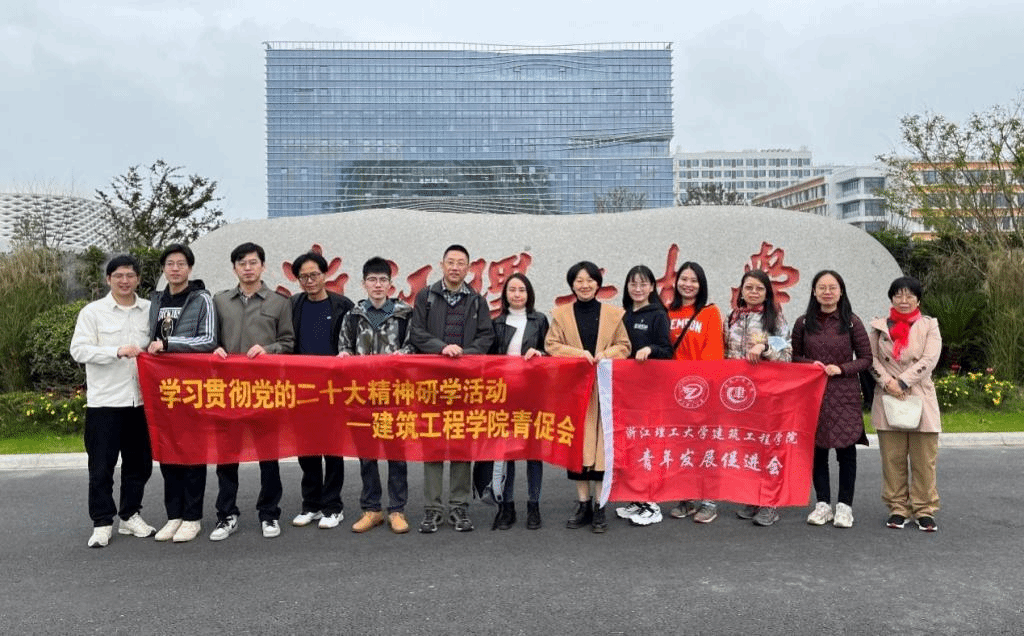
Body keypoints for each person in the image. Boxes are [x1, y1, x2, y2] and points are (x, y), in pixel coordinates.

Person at [210, 242, 295, 541]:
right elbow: (209, 339)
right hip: (227, 390)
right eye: (242, 263)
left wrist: (268, 349)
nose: (248, 268)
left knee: (268, 455)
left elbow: (288, 343)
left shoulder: (279, 303)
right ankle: (226, 514)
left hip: (263, 390)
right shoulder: (220, 301)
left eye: (253, 262)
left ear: (263, 266)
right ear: (234, 268)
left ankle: (269, 513)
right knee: (226, 456)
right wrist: (214, 348)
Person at [70, 254, 155, 548]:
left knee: (139, 464)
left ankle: (130, 515)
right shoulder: (93, 312)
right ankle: (102, 522)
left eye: (130, 275)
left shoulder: (150, 310)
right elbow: (79, 350)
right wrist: (115, 351)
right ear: (108, 279)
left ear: (138, 279)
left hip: (140, 402)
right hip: (105, 403)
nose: (124, 280)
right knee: (101, 468)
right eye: (118, 275)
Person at [410, 244, 495, 533]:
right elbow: (417, 332)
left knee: (461, 443)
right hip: (432, 382)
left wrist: (464, 355)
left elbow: (486, 336)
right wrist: (442, 348)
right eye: (451, 262)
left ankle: (459, 507)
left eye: (461, 263)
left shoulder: (477, 301)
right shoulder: (426, 296)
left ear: (468, 268)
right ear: (442, 265)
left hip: (465, 382)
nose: (455, 267)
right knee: (433, 444)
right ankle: (432, 509)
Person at [545, 261, 631, 533]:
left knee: (602, 449)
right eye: (579, 280)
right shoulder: (561, 315)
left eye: (590, 280)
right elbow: (551, 344)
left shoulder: (613, 315)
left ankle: (599, 505)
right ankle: (583, 504)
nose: (584, 285)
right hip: (574, 390)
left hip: (603, 390)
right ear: (572, 284)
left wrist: (605, 354)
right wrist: (577, 355)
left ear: (598, 283)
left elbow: (624, 346)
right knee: (578, 447)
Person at [146, 244, 218, 543]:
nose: (175, 269)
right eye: (170, 264)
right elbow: (148, 338)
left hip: (191, 388)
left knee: (192, 453)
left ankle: (192, 518)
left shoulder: (202, 299)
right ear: (164, 268)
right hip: (162, 388)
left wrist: (169, 344)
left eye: (181, 264)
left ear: (190, 268)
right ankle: (173, 515)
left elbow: (209, 340)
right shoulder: (156, 300)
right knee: (168, 452)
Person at [338, 256, 415, 535]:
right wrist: (345, 356)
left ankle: (397, 510)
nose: (378, 285)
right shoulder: (353, 316)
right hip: (362, 396)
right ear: (364, 284)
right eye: (372, 280)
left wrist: (401, 356)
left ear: (391, 284)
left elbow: (413, 347)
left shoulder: (405, 315)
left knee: (397, 454)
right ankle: (371, 509)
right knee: (367, 455)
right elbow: (344, 347)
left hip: (394, 395)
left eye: (383, 280)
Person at [791, 270, 872, 529]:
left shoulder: (852, 322)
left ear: (841, 291)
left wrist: (842, 368)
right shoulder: (803, 323)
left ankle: (845, 507)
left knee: (846, 451)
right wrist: (810, 364)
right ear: (814, 292)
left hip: (844, 394)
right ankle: (823, 504)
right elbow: (794, 357)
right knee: (818, 451)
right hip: (813, 393)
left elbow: (866, 359)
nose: (827, 292)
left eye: (832, 287)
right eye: (822, 287)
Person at [868, 276, 942, 532]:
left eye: (910, 295)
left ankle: (924, 509)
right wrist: (888, 382)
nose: (904, 300)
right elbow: (871, 359)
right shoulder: (878, 327)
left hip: (920, 395)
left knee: (924, 460)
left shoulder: (929, 325)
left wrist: (902, 382)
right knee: (892, 458)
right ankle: (898, 508)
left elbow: (929, 359)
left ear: (918, 299)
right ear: (891, 298)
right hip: (887, 395)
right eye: (898, 295)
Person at [289, 251, 354, 530]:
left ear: (325, 275)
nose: (309, 281)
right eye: (303, 277)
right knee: (307, 449)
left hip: (333, 388)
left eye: (314, 275)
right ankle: (311, 504)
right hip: (301, 387)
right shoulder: (294, 305)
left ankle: (333, 507)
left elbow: (350, 343)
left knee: (333, 449)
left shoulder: (342, 306)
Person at [725, 269, 792, 527]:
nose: (754, 292)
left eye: (759, 288)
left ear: (767, 292)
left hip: (767, 394)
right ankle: (753, 497)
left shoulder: (774, 318)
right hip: (739, 395)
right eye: (749, 287)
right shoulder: (732, 317)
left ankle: (769, 502)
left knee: (768, 447)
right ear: (741, 291)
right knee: (746, 447)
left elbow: (787, 351)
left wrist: (764, 347)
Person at [483, 272, 550, 530]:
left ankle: (534, 506)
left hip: (533, 395)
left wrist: (540, 353)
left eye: (522, 289)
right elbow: (487, 360)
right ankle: (506, 506)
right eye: (512, 290)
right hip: (504, 396)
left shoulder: (540, 320)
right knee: (506, 452)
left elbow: (552, 352)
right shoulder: (497, 323)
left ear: (529, 293)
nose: (517, 294)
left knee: (534, 453)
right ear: (505, 294)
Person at [664, 261, 725, 524]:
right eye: (684, 279)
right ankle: (686, 497)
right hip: (673, 393)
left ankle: (709, 501)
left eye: (694, 280)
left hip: (702, 391)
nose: (688, 284)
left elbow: (713, 356)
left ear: (701, 285)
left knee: (706, 446)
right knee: (681, 446)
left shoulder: (709, 312)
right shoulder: (667, 312)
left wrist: (699, 390)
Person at [613, 265, 672, 527]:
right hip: (627, 391)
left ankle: (652, 503)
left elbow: (666, 351)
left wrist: (650, 349)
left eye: (643, 284)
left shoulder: (658, 315)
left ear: (652, 287)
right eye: (633, 284)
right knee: (631, 444)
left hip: (650, 391)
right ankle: (637, 498)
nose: (638, 289)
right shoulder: (624, 315)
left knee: (649, 444)